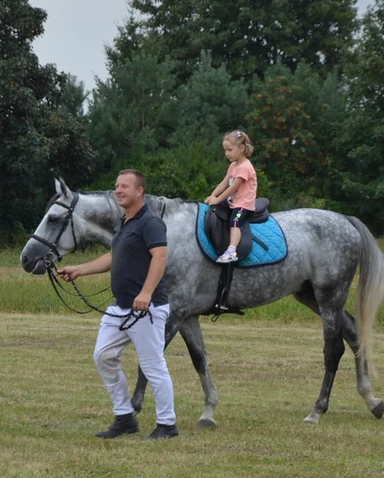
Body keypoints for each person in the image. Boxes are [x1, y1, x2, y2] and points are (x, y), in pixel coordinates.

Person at [57, 169, 179, 440]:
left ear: (140, 191)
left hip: (147, 310)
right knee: (103, 356)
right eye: (116, 187)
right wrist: (79, 269)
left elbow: (160, 257)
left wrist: (146, 293)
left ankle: (167, 425)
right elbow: (113, 256)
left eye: (125, 186)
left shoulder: (150, 222)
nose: (118, 191)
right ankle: (124, 418)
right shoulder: (122, 223)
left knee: (152, 366)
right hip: (121, 309)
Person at [204, 130, 258, 263]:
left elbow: (233, 187)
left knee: (235, 220)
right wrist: (212, 196)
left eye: (229, 149)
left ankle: (231, 250)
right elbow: (223, 184)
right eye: (225, 150)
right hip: (233, 201)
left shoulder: (245, 167)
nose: (226, 153)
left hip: (243, 204)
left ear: (241, 148)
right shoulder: (233, 166)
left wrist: (218, 199)